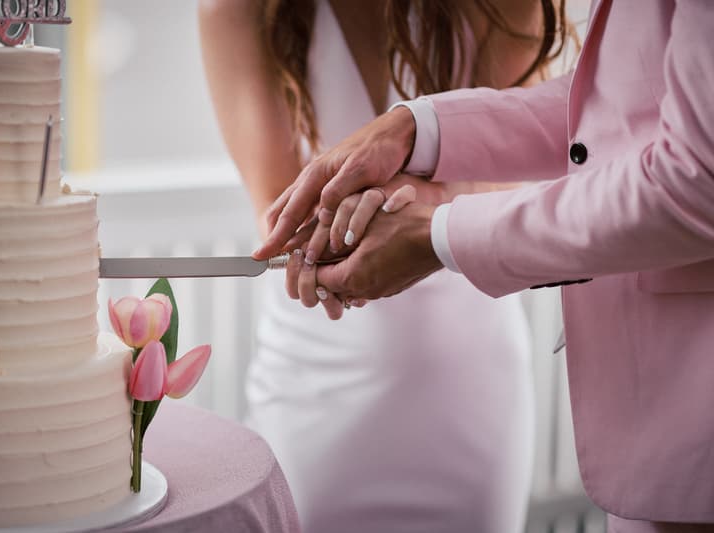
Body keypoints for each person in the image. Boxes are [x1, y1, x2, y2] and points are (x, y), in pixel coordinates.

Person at [255, 1, 714, 532]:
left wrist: (439, 232)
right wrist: (417, 127)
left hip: (687, 391)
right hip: (317, 381)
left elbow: (697, 178)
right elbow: (613, 103)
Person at [199, 1, 571, 531]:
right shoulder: (237, 10)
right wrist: (381, 211)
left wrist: (413, 197)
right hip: (316, 377)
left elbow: (516, 157)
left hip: (467, 384)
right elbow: (281, 216)